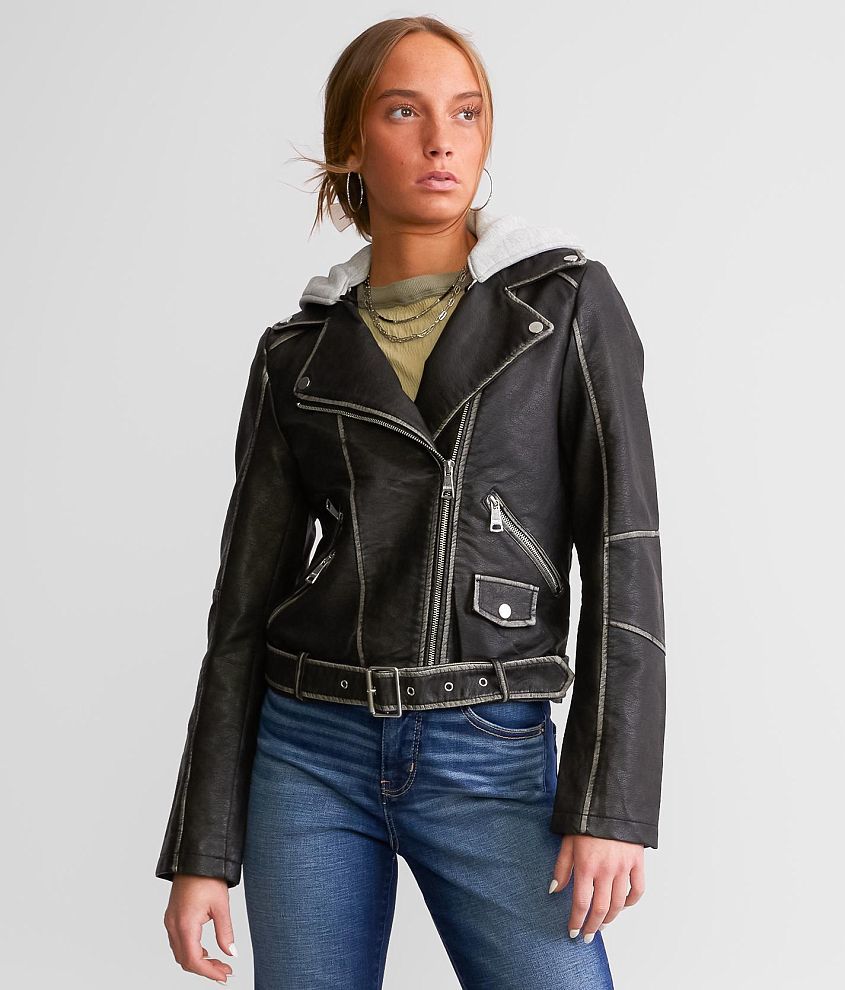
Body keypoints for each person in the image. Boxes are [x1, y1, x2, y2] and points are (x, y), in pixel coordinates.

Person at [157, 16, 666, 990]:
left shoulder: (565, 305)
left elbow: (624, 552)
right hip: (307, 750)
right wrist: (202, 850)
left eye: (465, 114)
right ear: (351, 144)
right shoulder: (297, 352)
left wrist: (610, 802)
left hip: (490, 746)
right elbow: (240, 612)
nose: (441, 141)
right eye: (404, 112)